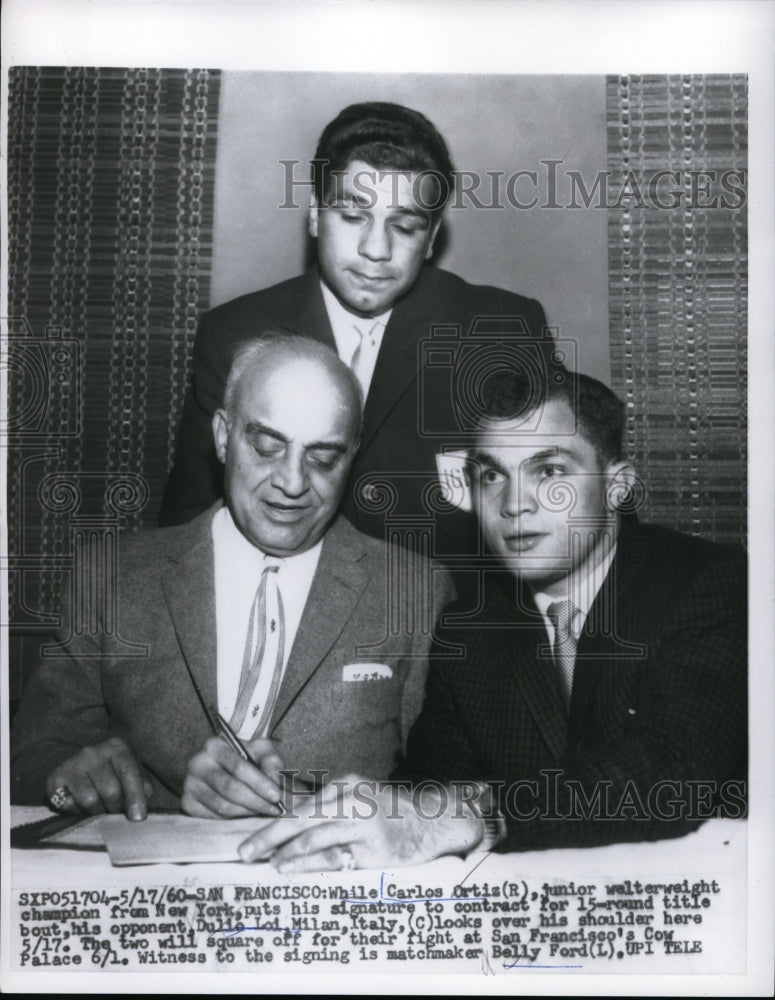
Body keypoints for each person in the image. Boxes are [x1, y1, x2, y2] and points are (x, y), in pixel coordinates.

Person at [235, 368, 747, 871]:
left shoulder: (714, 583)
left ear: (618, 486)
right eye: (491, 476)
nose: (513, 505)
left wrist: (478, 814)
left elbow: (674, 775)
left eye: (549, 471)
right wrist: (285, 797)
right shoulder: (470, 630)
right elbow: (423, 796)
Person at [11, 335, 453, 820]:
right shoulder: (111, 576)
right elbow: (30, 761)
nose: (292, 482)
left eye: (323, 459)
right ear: (223, 436)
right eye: (266, 447)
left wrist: (312, 808)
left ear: (352, 456)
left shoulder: (416, 593)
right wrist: (65, 779)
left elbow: (442, 796)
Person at [159, 101, 557, 567]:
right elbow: (186, 530)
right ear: (313, 216)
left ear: (430, 241)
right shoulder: (232, 332)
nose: (376, 249)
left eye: (404, 227)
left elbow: (562, 507)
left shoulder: (501, 330)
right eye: (352, 218)